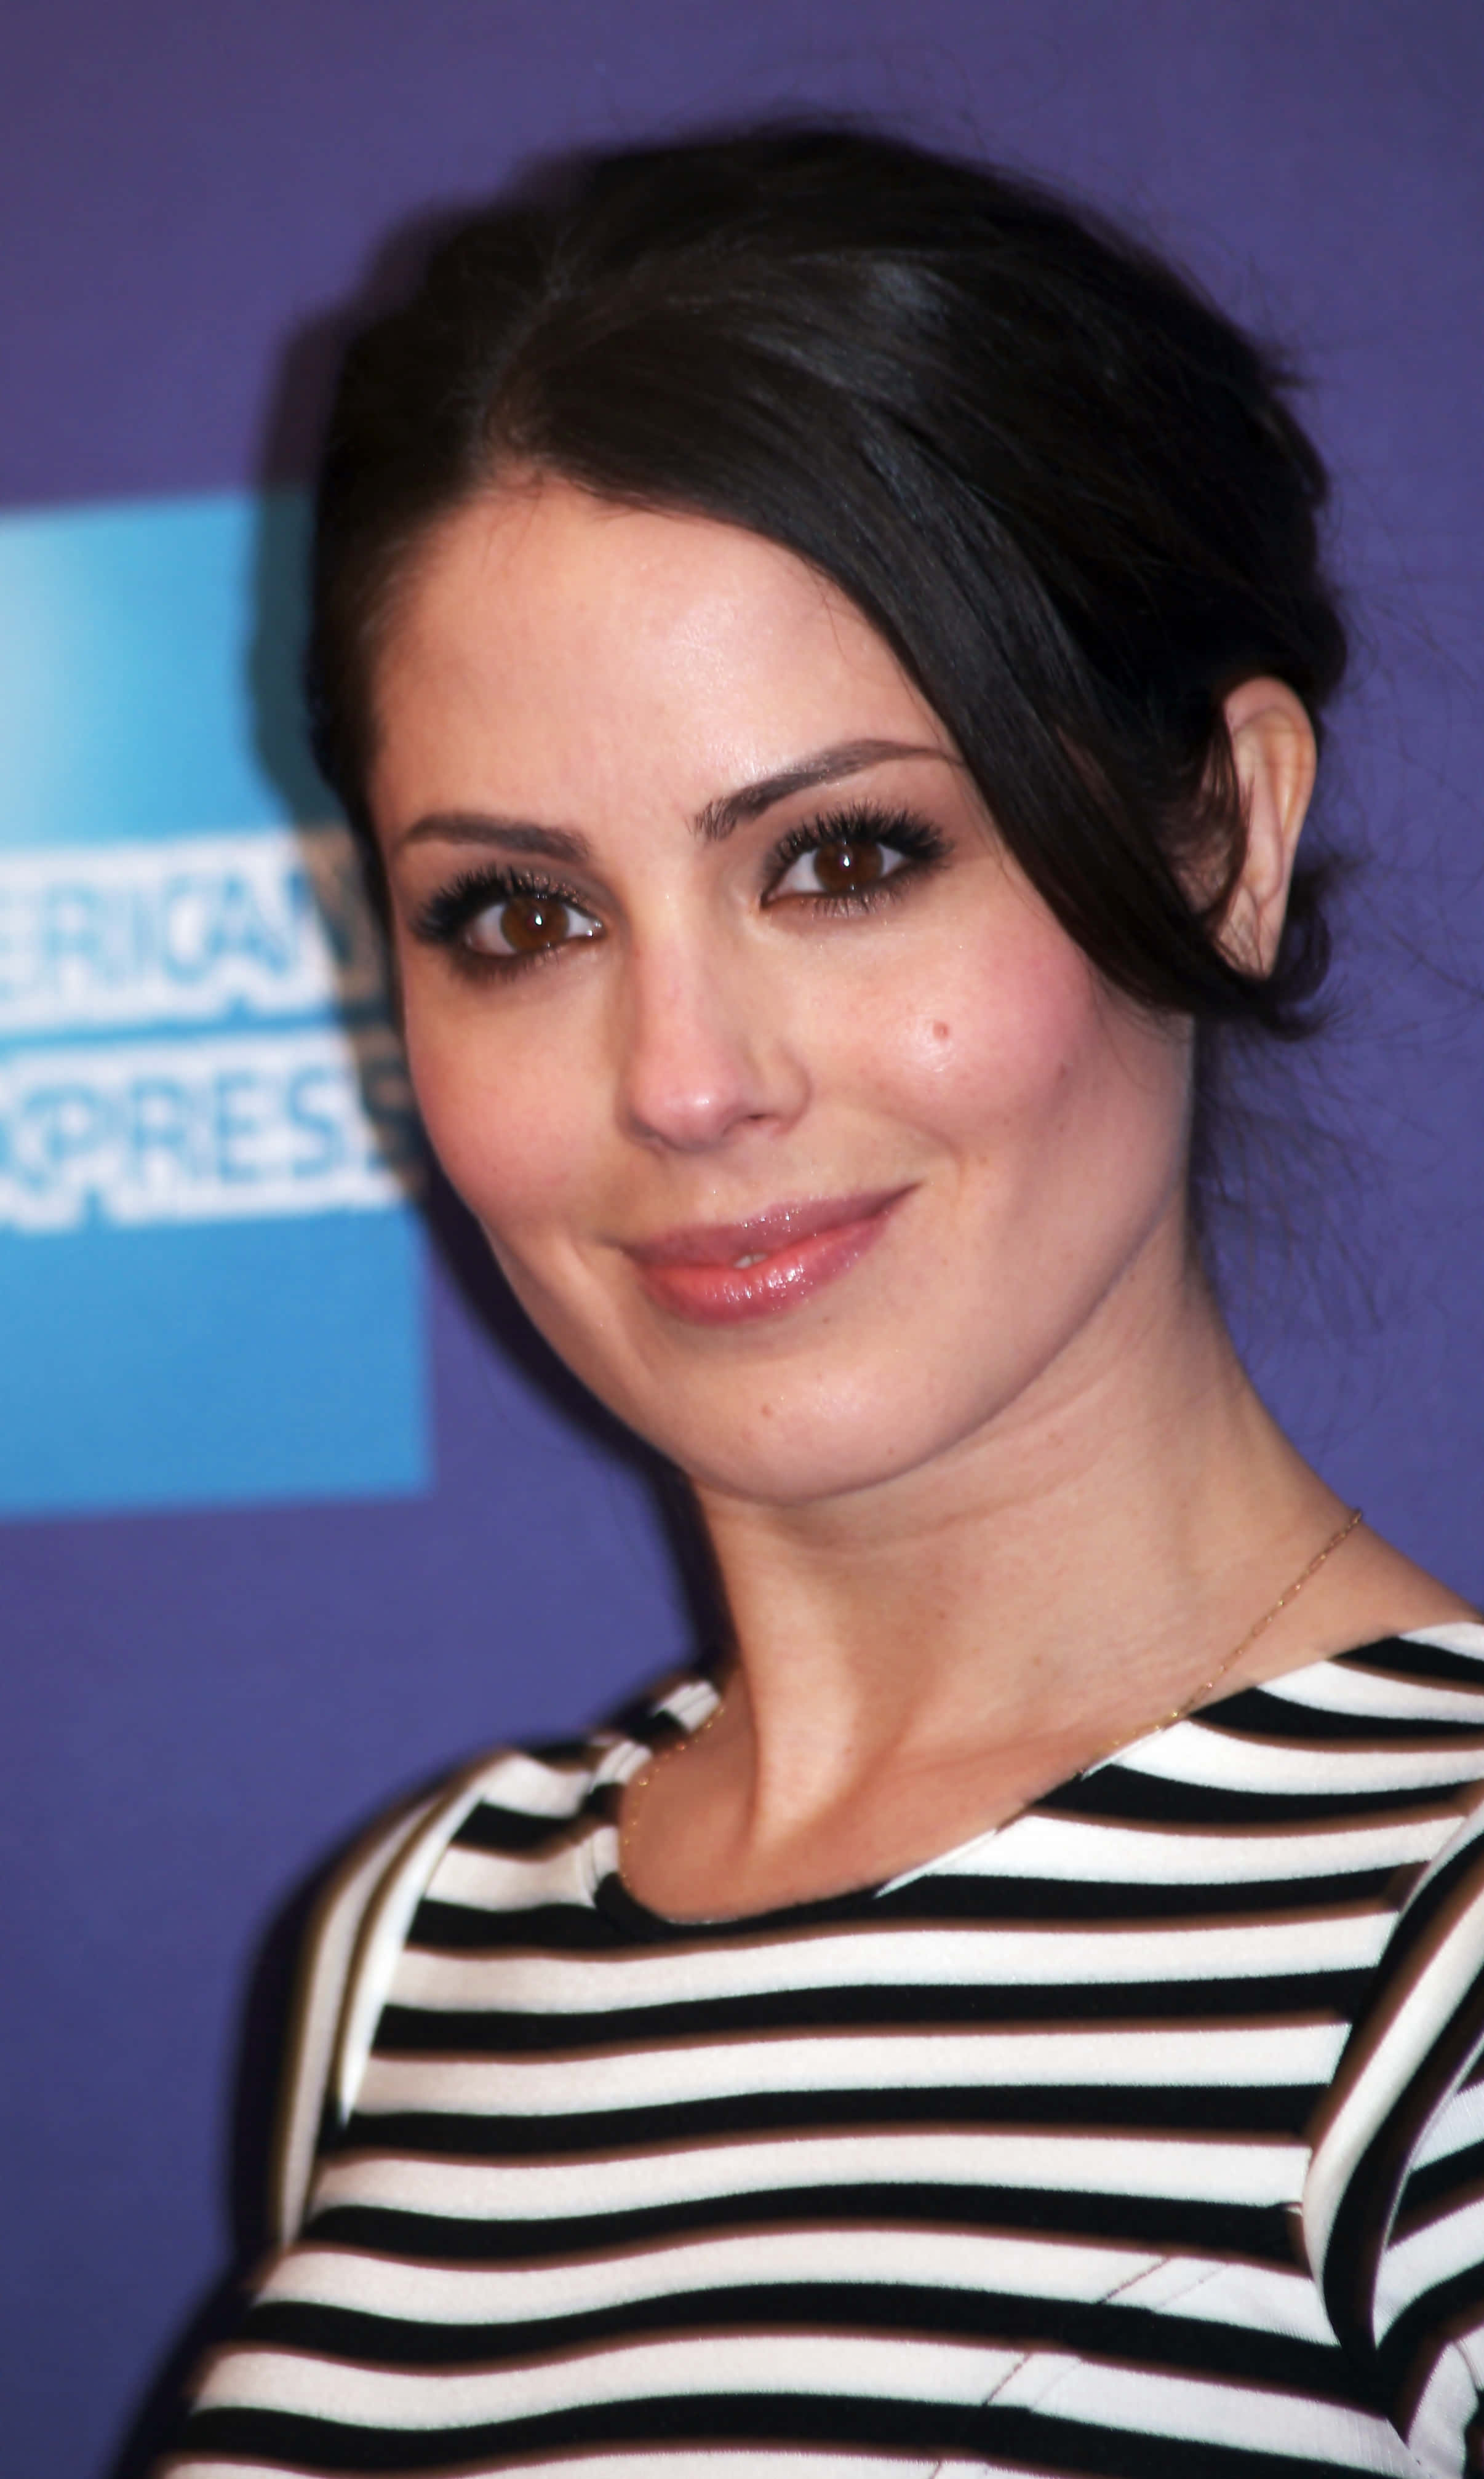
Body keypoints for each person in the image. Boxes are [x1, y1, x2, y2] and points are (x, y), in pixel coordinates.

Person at [164, 127, 1484, 2477]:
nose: (683, 1082)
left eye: (845, 857)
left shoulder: (1447, 1956)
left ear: (1225, 835)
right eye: (520, 917)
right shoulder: (420, 1937)